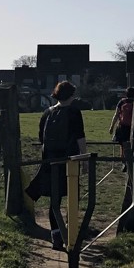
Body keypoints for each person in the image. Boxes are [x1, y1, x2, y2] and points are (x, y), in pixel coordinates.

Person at [25, 80, 87, 250]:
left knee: (55, 200)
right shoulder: (75, 112)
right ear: (72, 95)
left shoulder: (47, 113)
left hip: (50, 162)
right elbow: (80, 137)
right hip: (70, 162)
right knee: (72, 197)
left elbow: (41, 138)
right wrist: (84, 160)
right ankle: (72, 236)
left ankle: (56, 237)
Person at [109, 87, 134, 169]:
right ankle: (131, 161)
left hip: (122, 127)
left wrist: (111, 127)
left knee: (122, 145)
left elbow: (116, 114)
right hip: (132, 127)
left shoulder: (122, 102)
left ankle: (124, 161)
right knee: (132, 144)